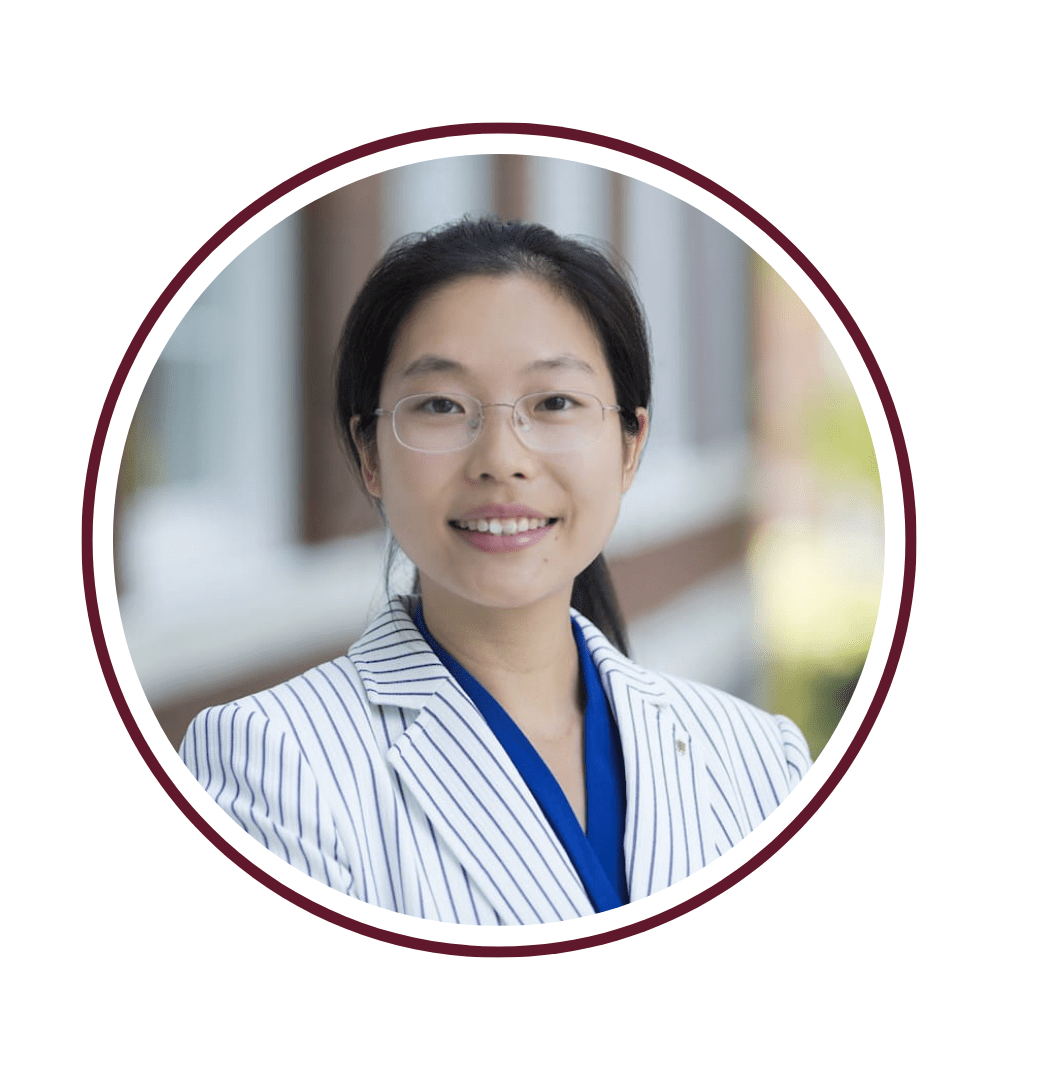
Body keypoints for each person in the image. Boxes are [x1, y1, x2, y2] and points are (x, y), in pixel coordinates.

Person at [180, 217, 812, 925]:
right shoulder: (272, 763)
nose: (502, 458)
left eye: (554, 403)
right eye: (442, 406)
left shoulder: (761, 760)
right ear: (369, 453)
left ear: (630, 445)